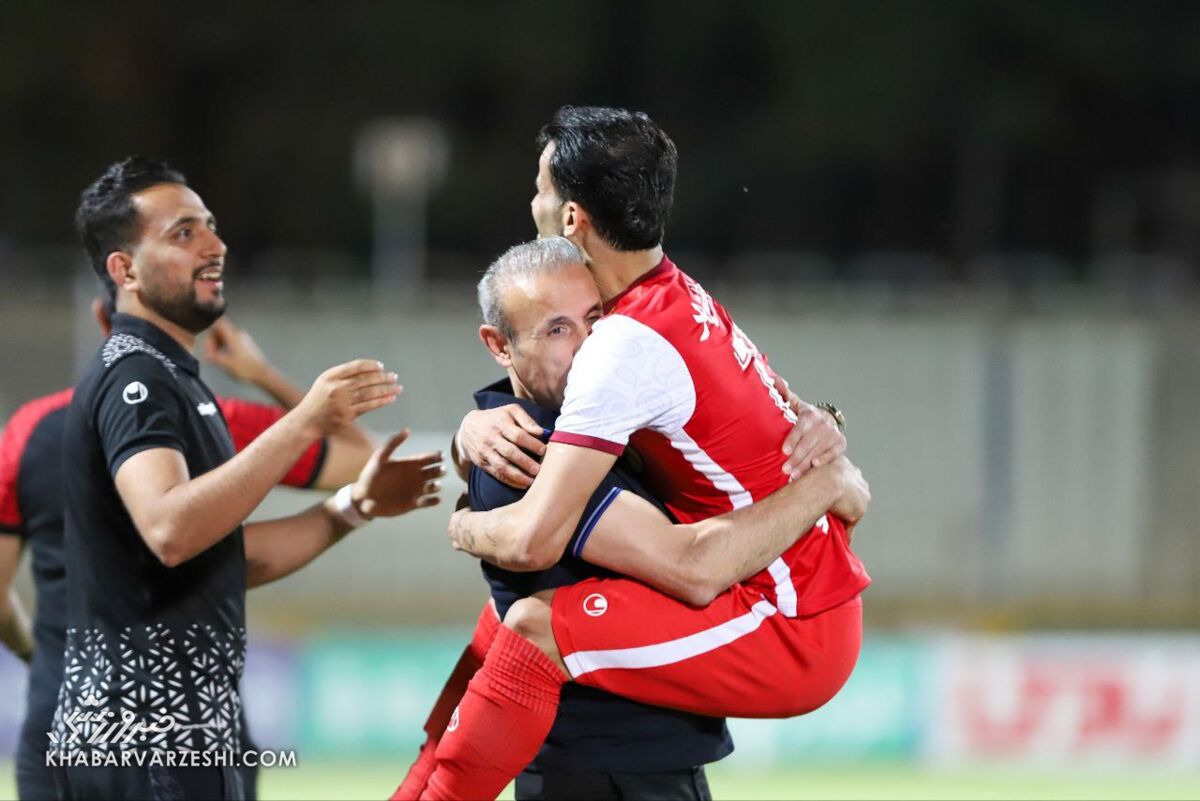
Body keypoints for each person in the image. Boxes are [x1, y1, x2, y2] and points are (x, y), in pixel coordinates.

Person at [418, 108, 872, 800]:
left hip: (787, 619)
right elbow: (786, 428)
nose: (530, 202)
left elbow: (538, 537)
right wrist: (466, 435)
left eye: (539, 188)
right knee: (513, 620)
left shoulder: (623, 347)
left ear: (571, 217)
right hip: (800, 590)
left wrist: (460, 526)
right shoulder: (679, 296)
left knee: (535, 624)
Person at [50, 156, 443, 801]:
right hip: (145, 738)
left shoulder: (172, 378)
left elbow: (230, 560)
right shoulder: (136, 377)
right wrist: (302, 421)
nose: (215, 245)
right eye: (183, 234)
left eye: (209, 226)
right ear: (124, 271)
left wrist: (353, 507)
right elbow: (171, 529)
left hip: (187, 734)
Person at [0, 300, 378, 800]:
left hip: (65, 720)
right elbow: (362, 460)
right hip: (187, 719)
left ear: (101, 316)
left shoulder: (28, 430)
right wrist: (259, 373)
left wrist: (33, 651)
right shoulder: (210, 416)